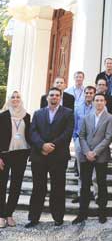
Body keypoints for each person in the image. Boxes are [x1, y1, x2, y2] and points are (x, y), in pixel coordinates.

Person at [26, 88, 74, 228]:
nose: (54, 97)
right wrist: (42, 145)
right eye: (52, 95)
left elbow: (68, 133)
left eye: (57, 95)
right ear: (47, 97)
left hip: (58, 156)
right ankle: (33, 218)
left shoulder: (68, 113)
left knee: (58, 187)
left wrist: (52, 145)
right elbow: (32, 131)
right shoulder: (38, 113)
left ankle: (58, 217)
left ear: (60, 98)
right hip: (39, 155)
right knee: (38, 187)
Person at [72, 93, 112, 224]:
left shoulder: (110, 118)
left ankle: (102, 213)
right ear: (94, 102)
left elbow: (108, 137)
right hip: (86, 156)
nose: (99, 102)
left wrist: (95, 152)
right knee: (85, 185)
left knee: (101, 184)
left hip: (101, 156)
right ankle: (82, 214)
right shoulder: (87, 117)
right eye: (97, 100)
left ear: (105, 102)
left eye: (101, 100)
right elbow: (81, 136)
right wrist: (87, 152)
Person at [0, 91, 31, 228]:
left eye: (18, 97)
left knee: (16, 185)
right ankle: (1, 215)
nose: (15, 99)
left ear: (21, 99)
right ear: (9, 99)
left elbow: (29, 135)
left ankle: (9, 214)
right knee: (1, 185)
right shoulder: (3, 116)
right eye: (13, 97)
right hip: (5, 154)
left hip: (21, 154)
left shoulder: (27, 116)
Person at [72, 86, 96, 204]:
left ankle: (96, 194)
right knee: (81, 169)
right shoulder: (77, 108)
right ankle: (81, 194)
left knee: (95, 171)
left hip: (95, 140)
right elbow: (74, 124)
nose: (88, 95)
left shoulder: (99, 106)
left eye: (91, 93)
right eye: (86, 93)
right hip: (80, 140)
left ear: (94, 94)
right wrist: (75, 138)